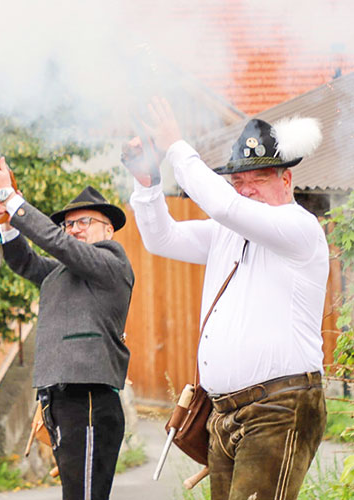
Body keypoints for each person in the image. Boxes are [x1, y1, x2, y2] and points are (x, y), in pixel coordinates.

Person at [125, 97, 327, 500]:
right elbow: (161, 238)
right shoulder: (228, 230)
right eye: (238, 182)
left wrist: (175, 146)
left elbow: (224, 206)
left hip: (280, 406)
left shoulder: (299, 227)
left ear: (286, 180)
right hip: (226, 412)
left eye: (259, 179)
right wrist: (147, 184)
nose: (246, 190)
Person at [0, 163, 134, 499]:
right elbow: (25, 262)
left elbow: (58, 244)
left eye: (84, 222)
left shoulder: (112, 261)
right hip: (64, 398)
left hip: (88, 397)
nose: (73, 229)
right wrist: (7, 223)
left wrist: (9, 196)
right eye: (69, 224)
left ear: (108, 230)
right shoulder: (66, 272)